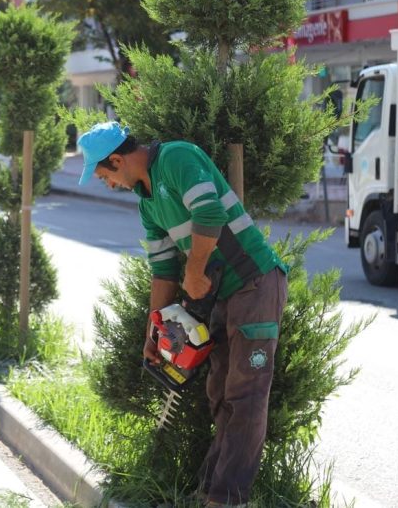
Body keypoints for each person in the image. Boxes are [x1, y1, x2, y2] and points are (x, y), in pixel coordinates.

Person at [78, 121, 288, 508]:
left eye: (103, 173)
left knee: (246, 396)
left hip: (255, 283)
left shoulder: (177, 156)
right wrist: (152, 333)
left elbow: (209, 211)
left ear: (118, 159)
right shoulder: (147, 203)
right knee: (220, 394)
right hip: (222, 296)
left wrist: (194, 272)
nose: (106, 183)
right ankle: (211, 491)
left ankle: (226, 500)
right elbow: (163, 270)